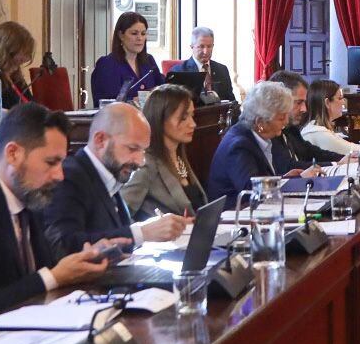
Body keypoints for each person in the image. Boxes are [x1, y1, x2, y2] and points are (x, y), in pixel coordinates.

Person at [0, 104, 125, 318]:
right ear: (13, 154)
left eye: (61, 162)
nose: (60, 175)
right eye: (51, 162)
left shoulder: (31, 201)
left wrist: (84, 260)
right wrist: (53, 277)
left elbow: (46, 270)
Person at [43, 102, 191, 259]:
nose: (140, 162)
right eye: (133, 149)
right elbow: (64, 243)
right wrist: (142, 232)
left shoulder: (111, 174)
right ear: (100, 140)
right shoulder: (70, 177)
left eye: (143, 151)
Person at [207, 81, 309, 199]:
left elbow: (260, 181)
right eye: (281, 118)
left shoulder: (259, 136)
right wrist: (292, 181)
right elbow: (252, 190)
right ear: (260, 122)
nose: (286, 122)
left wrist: (286, 178)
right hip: (234, 213)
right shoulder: (239, 146)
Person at [122, 84, 206, 216]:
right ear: (160, 119)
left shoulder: (179, 157)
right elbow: (120, 217)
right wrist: (151, 230)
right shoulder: (146, 163)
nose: (193, 124)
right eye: (183, 118)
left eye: (192, 116)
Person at [271, 70, 345, 165]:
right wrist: (335, 164)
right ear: (280, 101)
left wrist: (342, 159)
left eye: (304, 102)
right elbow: (288, 168)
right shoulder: (270, 133)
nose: (304, 109)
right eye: (298, 102)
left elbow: (311, 152)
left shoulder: (291, 129)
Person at [91, 11, 166, 103]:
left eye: (143, 33)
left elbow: (163, 89)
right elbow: (105, 102)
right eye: (134, 33)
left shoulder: (149, 61)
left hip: (149, 116)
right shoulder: (106, 64)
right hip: (120, 116)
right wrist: (132, 101)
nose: (140, 38)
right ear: (121, 35)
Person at [184, 26, 237, 102]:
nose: (205, 51)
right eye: (201, 47)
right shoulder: (181, 70)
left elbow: (231, 100)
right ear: (192, 47)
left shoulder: (222, 69)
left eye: (209, 46)